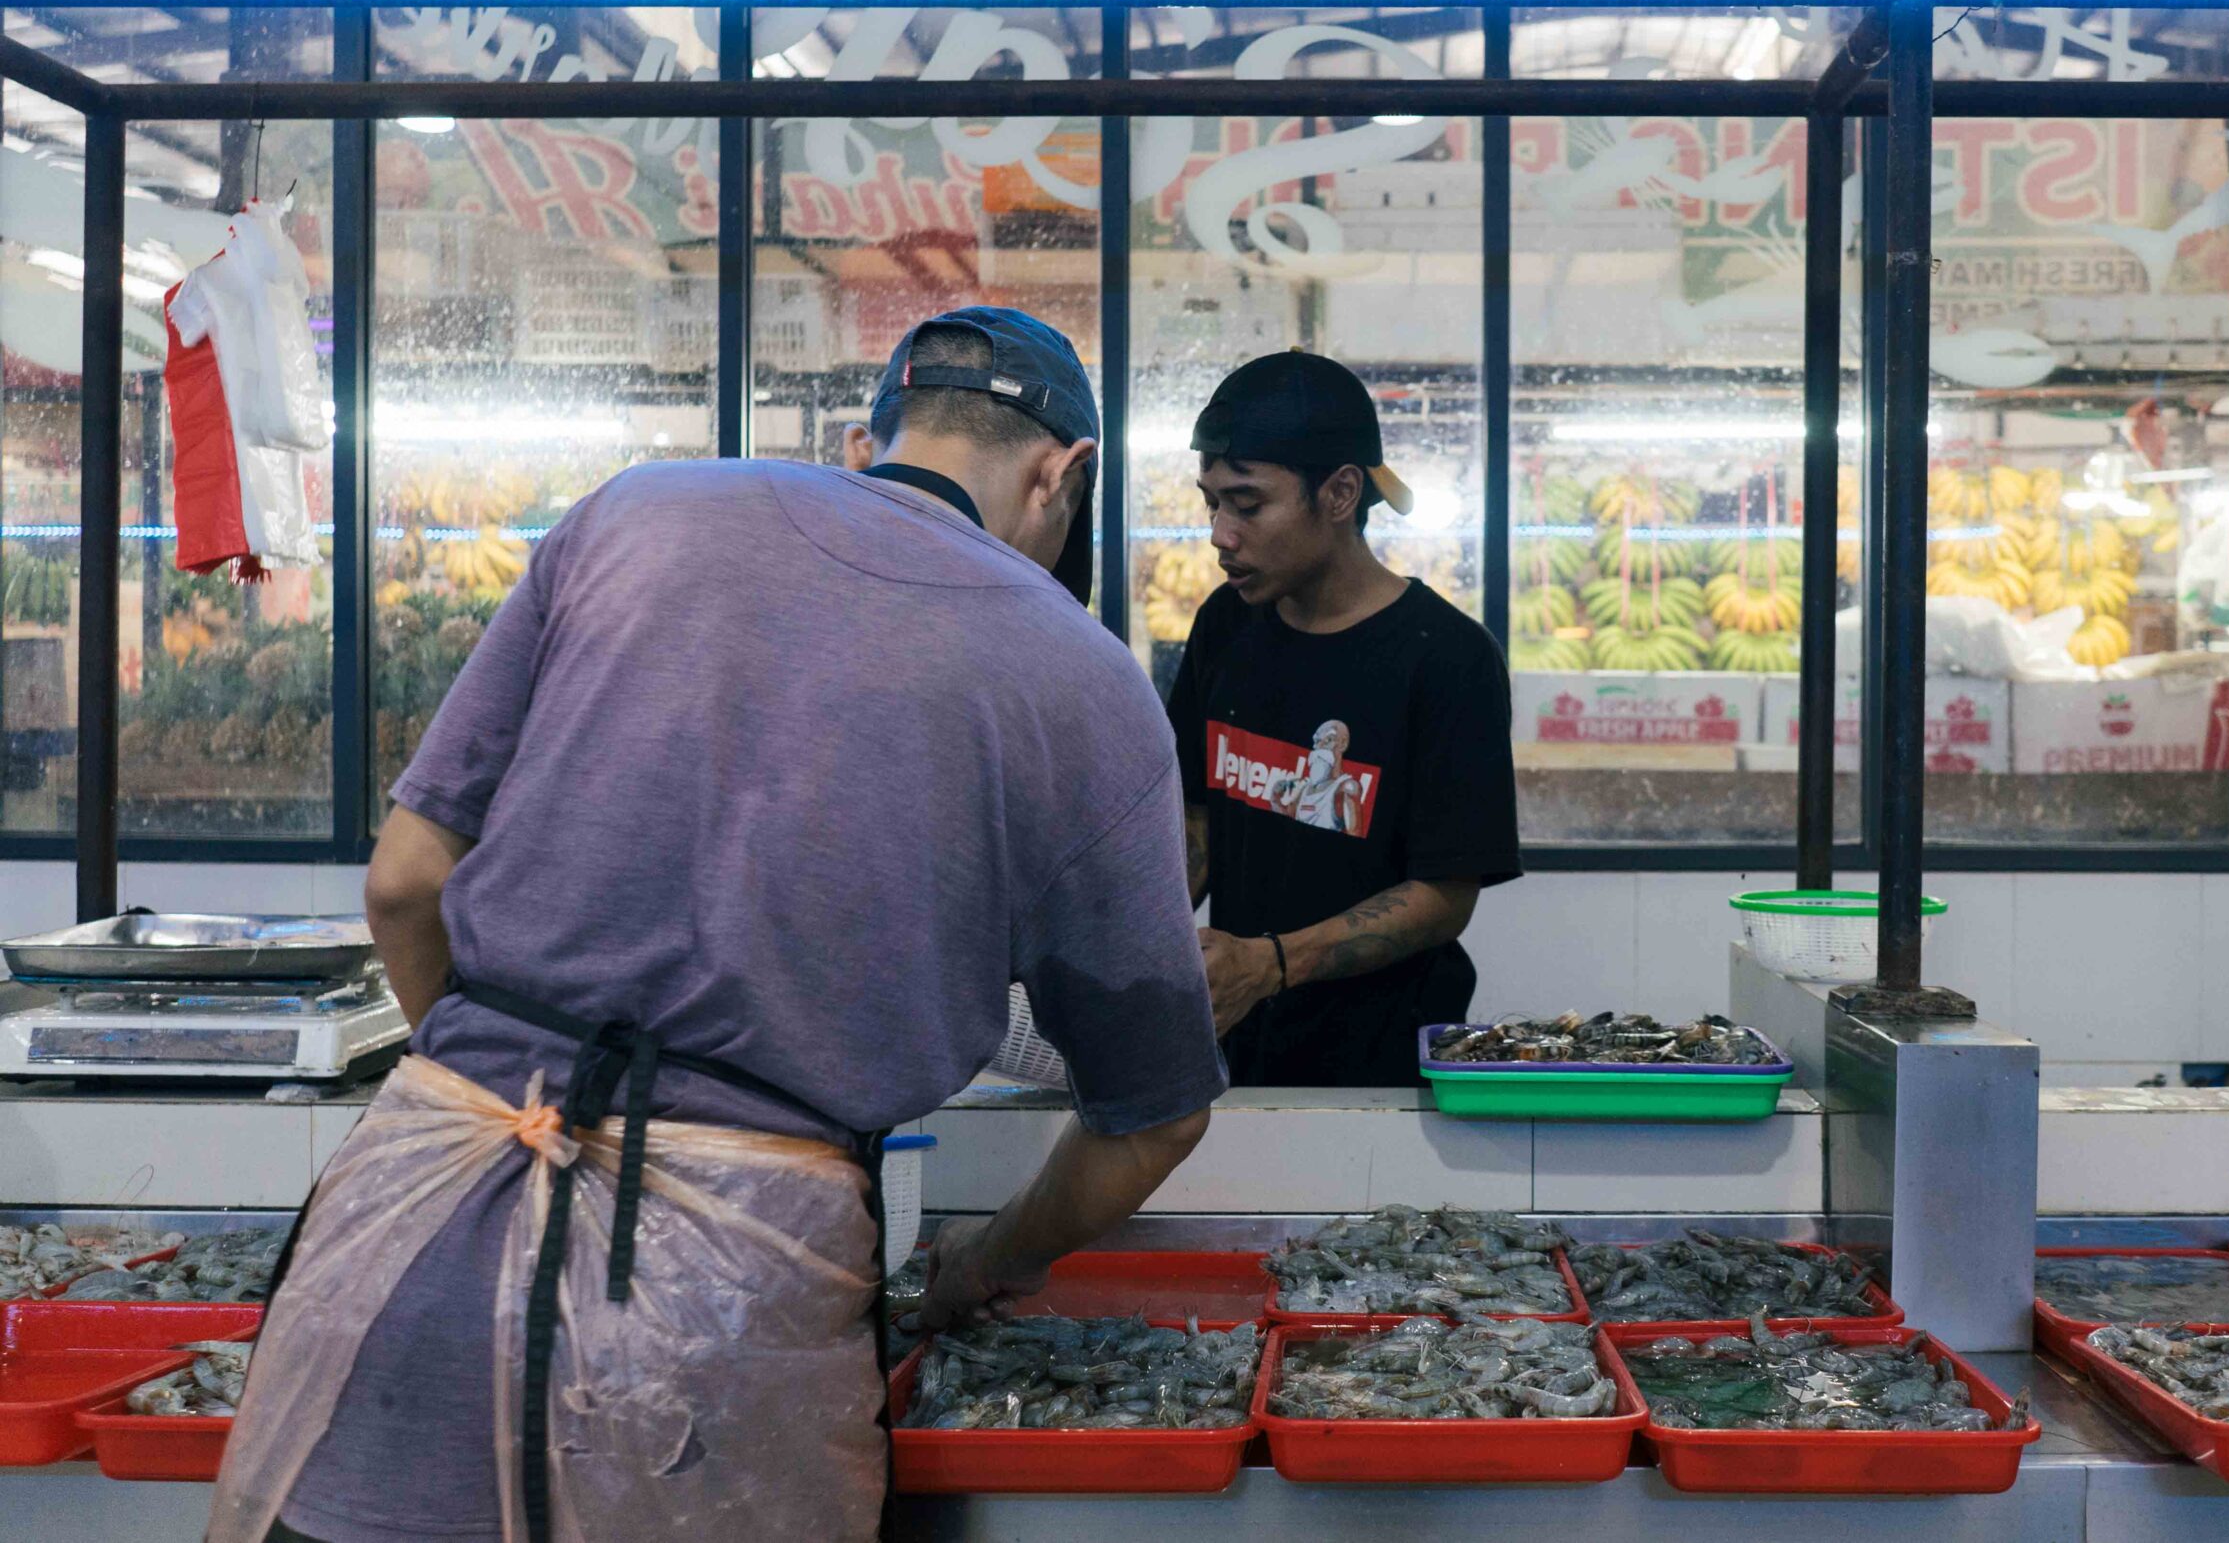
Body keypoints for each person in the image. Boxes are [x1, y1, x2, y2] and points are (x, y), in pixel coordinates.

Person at [211, 308, 1224, 1543]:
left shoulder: (636, 512)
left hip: (406, 1224)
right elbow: (1154, 1115)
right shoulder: (1088, 680)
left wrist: (492, 1090)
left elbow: (406, 885)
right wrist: (982, 1265)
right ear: (1062, 474)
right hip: (721, 1306)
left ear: (866, 441)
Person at [1166, 350, 1521, 1087]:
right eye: (1211, 503)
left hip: (1381, 1069)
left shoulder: (1447, 659)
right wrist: (1136, 936)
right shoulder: (1225, 626)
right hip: (1231, 1045)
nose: (1220, 534)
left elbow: (1444, 896)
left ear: (1339, 493)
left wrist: (1270, 964)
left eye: (1247, 504)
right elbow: (1198, 811)